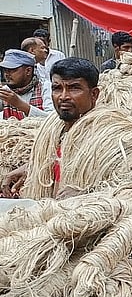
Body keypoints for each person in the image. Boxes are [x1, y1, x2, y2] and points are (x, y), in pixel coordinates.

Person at [2, 58, 102, 198]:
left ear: (94, 94)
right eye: (57, 88)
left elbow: (126, 184)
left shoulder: (107, 136)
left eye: (74, 88)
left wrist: (88, 194)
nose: (63, 97)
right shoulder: (54, 132)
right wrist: (30, 168)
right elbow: (54, 160)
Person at [0, 49, 49, 120]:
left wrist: (19, 104)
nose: (6, 74)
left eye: (12, 70)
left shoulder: (45, 87)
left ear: (28, 71)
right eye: (5, 70)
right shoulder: (5, 91)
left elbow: (53, 120)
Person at [20, 37, 53, 104]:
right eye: (42, 48)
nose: (45, 50)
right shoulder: (23, 70)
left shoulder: (38, 66)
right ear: (32, 50)